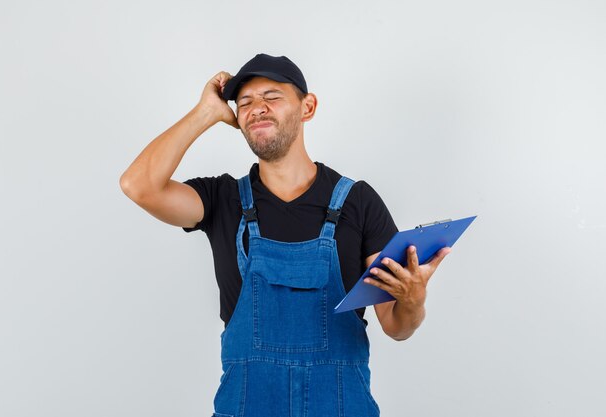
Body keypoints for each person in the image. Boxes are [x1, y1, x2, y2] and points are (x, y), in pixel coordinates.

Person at [120, 53, 451, 417]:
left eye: (272, 96)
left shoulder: (358, 202)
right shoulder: (221, 200)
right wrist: (206, 112)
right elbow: (138, 186)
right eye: (244, 102)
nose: (256, 108)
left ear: (307, 107)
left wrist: (413, 300)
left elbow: (396, 325)